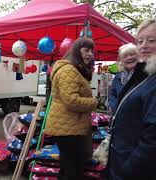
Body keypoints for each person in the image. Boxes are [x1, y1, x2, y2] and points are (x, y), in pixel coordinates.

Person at [108, 18, 156, 180]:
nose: (144, 45)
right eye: (140, 41)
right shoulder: (144, 74)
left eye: (151, 40)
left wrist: (128, 169)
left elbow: (152, 137)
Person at [44, 37, 97, 180]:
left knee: (67, 167)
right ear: (76, 51)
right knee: (73, 171)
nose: (90, 54)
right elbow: (71, 101)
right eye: (86, 50)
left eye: (92, 51)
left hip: (69, 126)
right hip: (68, 128)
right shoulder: (69, 70)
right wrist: (93, 102)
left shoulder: (73, 69)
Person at [108, 43, 139, 114]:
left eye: (132, 54)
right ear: (121, 60)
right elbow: (112, 96)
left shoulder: (143, 75)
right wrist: (116, 109)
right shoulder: (118, 76)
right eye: (125, 56)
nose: (129, 58)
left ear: (138, 56)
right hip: (120, 117)